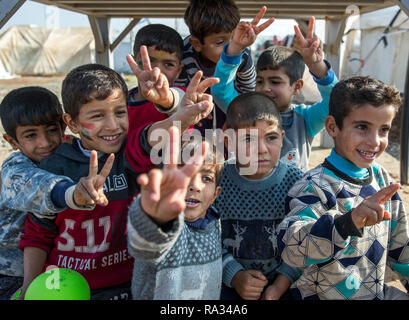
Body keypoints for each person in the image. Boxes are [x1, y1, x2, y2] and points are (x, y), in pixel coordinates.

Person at [276, 76, 409, 300]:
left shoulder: (382, 178)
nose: (375, 141)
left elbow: (402, 248)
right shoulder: (314, 186)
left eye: (383, 130)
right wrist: (347, 223)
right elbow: (292, 246)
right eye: (362, 127)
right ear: (332, 127)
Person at [0, 86, 111, 300]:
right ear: (12, 141)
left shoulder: (68, 152)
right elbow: (40, 188)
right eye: (31, 135)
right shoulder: (14, 170)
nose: (45, 142)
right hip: (11, 271)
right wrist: (73, 193)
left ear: (64, 126)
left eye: (51, 130)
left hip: (52, 267)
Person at [211, 16, 338, 171]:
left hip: (293, 195)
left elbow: (337, 101)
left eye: (275, 82)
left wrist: (316, 65)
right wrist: (235, 48)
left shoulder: (305, 120)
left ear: (297, 86)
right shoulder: (245, 111)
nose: (265, 88)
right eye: (259, 81)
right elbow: (220, 90)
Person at [213, 92, 305, 300]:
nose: (262, 149)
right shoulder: (216, 181)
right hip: (228, 284)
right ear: (227, 140)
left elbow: (304, 244)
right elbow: (205, 239)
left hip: (285, 285)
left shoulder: (298, 183)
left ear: (282, 138)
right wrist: (235, 276)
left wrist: (280, 285)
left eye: (271, 138)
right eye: (248, 139)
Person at [127, 127, 224, 299]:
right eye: (185, 174)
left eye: (206, 178)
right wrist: (156, 217)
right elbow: (147, 243)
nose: (195, 185)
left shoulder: (214, 222)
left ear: (215, 194)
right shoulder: (169, 229)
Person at [173, 0, 261, 133]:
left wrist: (235, 117)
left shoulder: (242, 55)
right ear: (197, 44)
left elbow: (247, 92)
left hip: (229, 97)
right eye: (221, 42)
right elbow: (179, 91)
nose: (231, 46)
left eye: (234, 37)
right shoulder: (184, 55)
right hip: (196, 99)